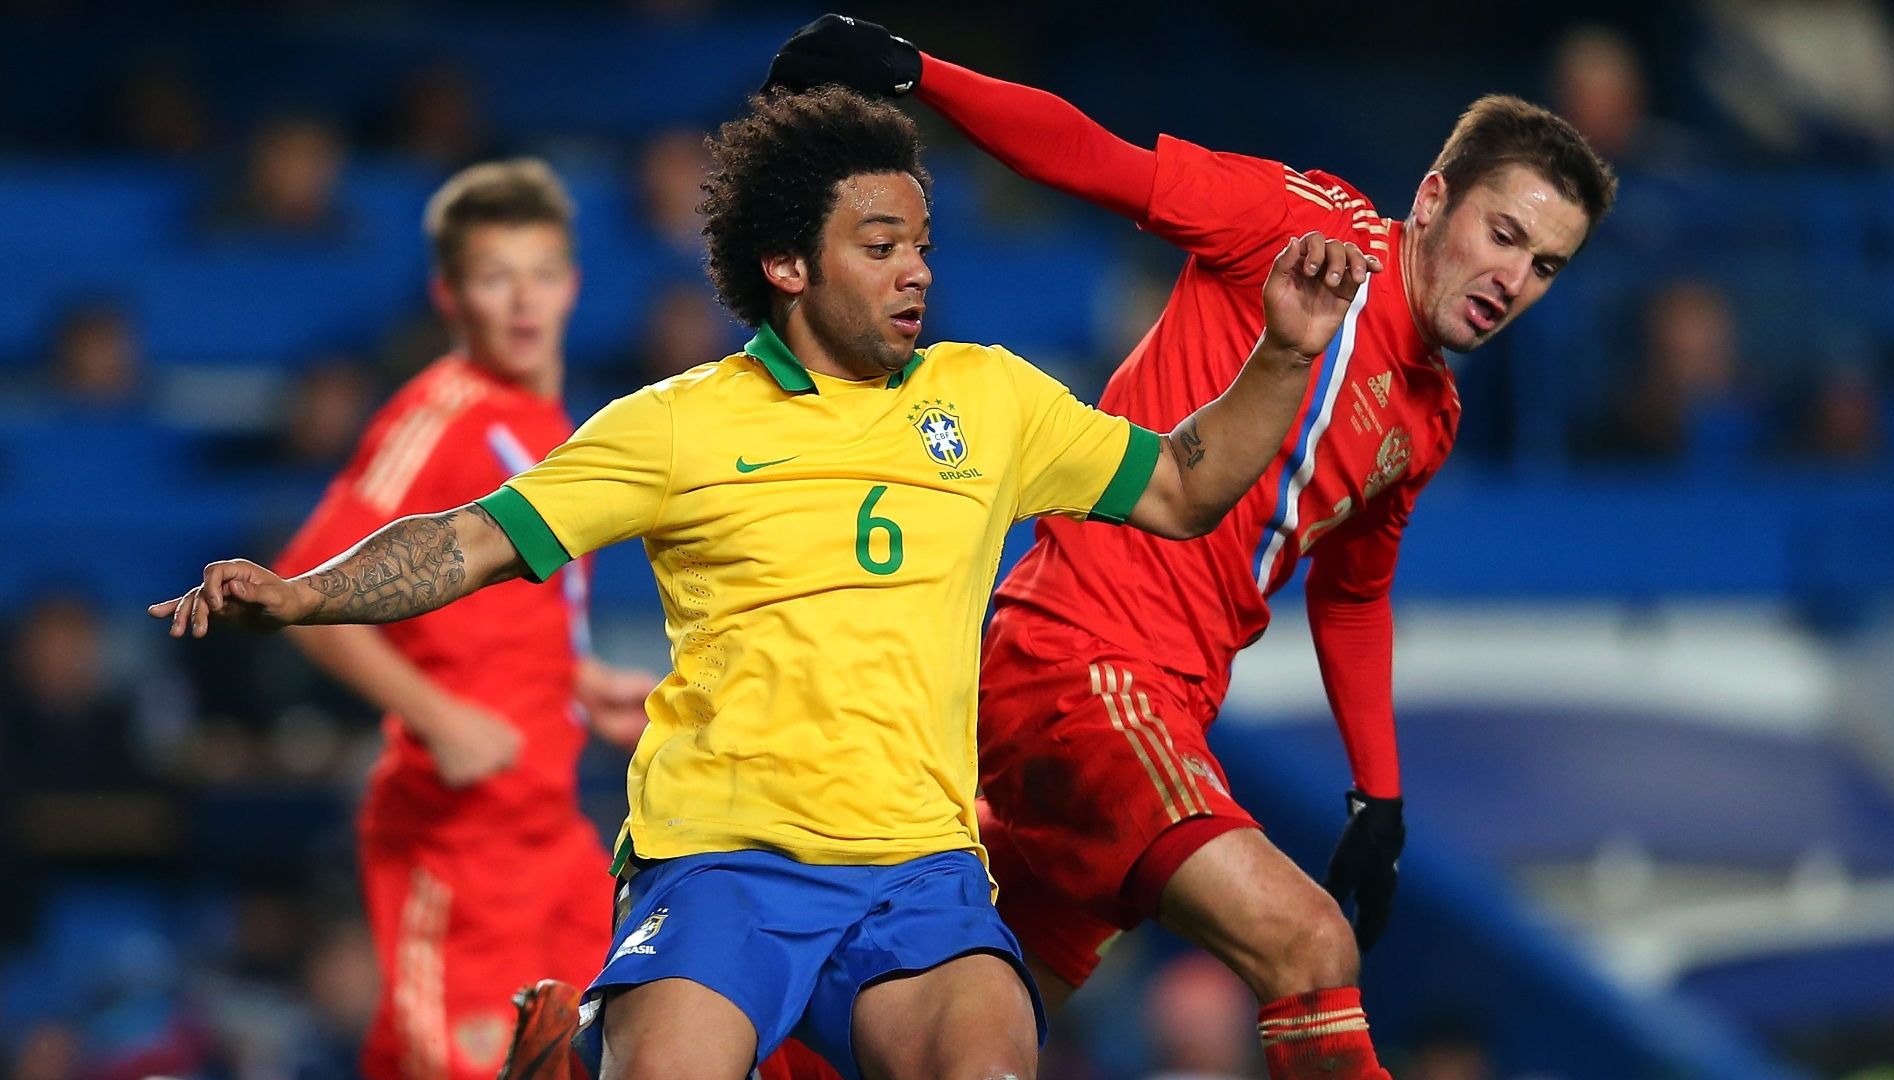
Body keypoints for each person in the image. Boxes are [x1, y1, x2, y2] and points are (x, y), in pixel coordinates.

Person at [151, 86, 1377, 1080]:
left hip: (925, 879)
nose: (916, 275)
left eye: (924, 247)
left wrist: (1281, 354)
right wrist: (306, 593)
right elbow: (472, 539)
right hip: (723, 864)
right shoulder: (678, 426)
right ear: (788, 266)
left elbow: (1183, 486)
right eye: (880, 246)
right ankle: (582, 1052)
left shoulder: (989, 399)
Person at [764, 17, 1616, 1080]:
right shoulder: (1305, 231)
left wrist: (1379, 795)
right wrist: (917, 72)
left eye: (1546, 266)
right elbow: (1095, 159)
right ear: (1435, 199)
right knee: (1307, 943)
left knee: (958, 1042)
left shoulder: (1428, 414)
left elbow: (1354, 596)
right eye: (1503, 234)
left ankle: (590, 1052)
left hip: (1156, 700)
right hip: (1084, 665)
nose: (1514, 279)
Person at [265, 158, 656, 1080]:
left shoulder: (552, 424)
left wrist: (578, 681)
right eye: (494, 278)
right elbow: (301, 594)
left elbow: (505, 612)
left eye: (541, 275)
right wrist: (438, 717)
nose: (522, 302)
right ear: (451, 294)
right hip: (455, 838)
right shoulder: (439, 415)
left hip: (551, 825)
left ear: (574, 285)